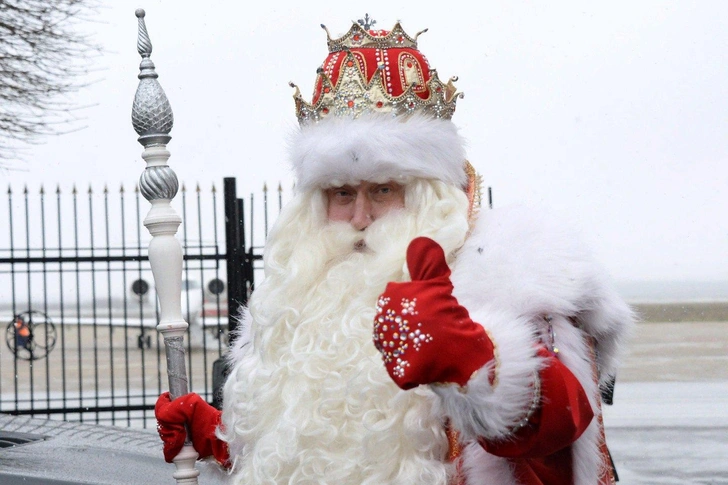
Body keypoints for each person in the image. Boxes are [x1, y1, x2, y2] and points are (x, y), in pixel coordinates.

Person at [155, 18, 633, 485]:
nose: (361, 216)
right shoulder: (298, 304)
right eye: (342, 193)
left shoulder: (509, 276)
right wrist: (221, 436)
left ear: (425, 193)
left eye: (383, 190)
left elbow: (561, 431)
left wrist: (475, 365)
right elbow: (309, 451)